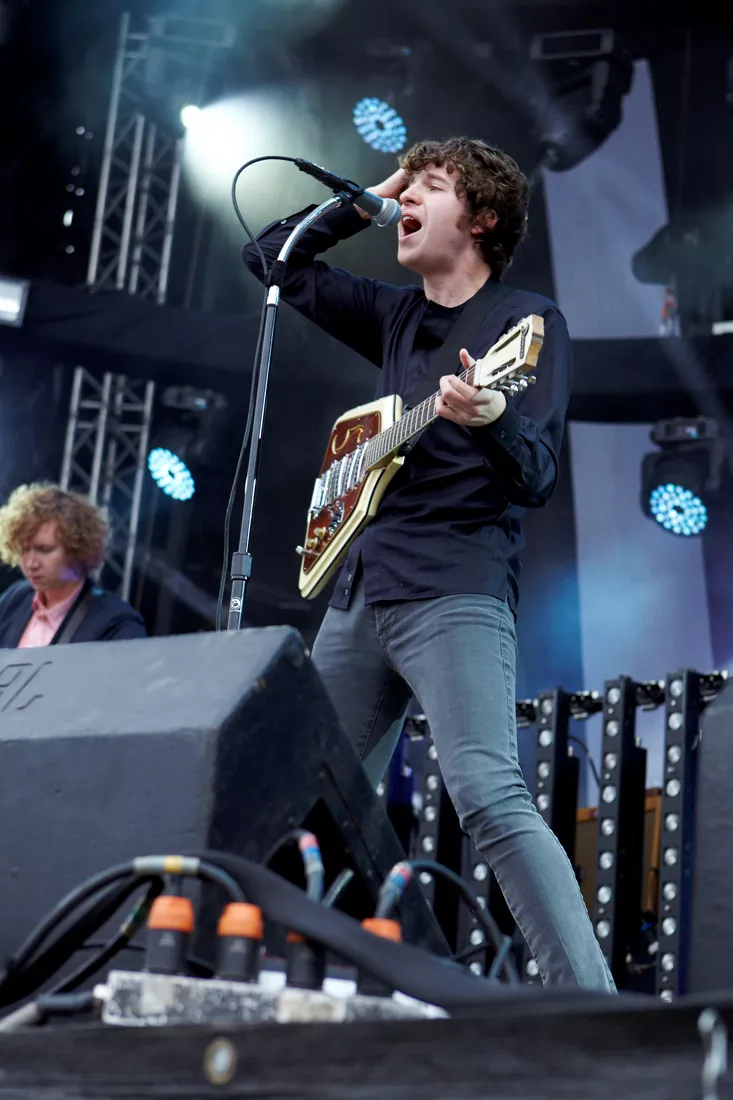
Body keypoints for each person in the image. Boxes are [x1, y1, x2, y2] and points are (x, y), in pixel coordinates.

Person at [242, 137, 614, 991]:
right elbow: (269, 259)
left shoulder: (527, 324)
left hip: (454, 588)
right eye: (406, 188)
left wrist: (490, 416)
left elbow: (537, 477)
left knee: (484, 790)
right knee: (301, 799)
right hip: (359, 590)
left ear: (481, 219)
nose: (407, 200)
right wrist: (365, 198)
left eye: (431, 187)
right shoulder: (394, 313)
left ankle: (590, 1005)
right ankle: (293, 991)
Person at [0, 482, 147, 648]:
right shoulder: (15, 598)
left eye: (45, 550)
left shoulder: (116, 621)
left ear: (77, 549)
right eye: (24, 550)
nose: (31, 563)